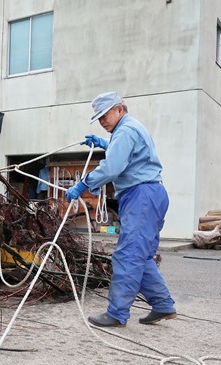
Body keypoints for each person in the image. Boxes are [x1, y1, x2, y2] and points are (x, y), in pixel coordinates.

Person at [65, 92, 176, 327]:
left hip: (141, 196)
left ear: (119, 109)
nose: (103, 121)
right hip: (150, 195)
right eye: (99, 118)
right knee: (142, 255)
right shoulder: (127, 130)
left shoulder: (125, 131)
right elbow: (130, 154)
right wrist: (105, 143)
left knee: (128, 255)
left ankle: (117, 313)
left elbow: (113, 167)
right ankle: (163, 304)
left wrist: (84, 184)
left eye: (105, 115)